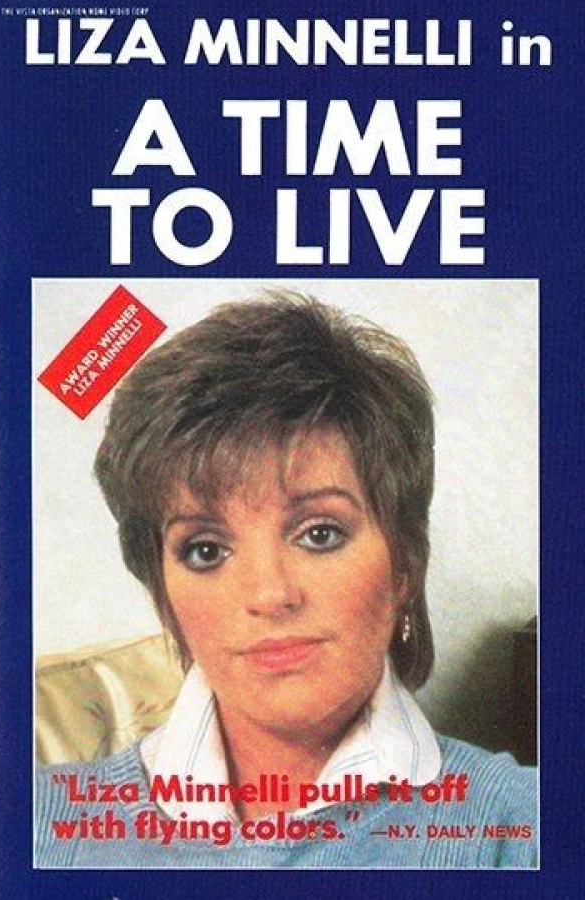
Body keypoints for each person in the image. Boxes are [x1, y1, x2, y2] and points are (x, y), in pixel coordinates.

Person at [35, 290, 537, 868]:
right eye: (206, 550)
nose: (270, 595)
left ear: (403, 563)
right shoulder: (34, 822)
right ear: (161, 587)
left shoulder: (524, 827)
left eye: (319, 534)